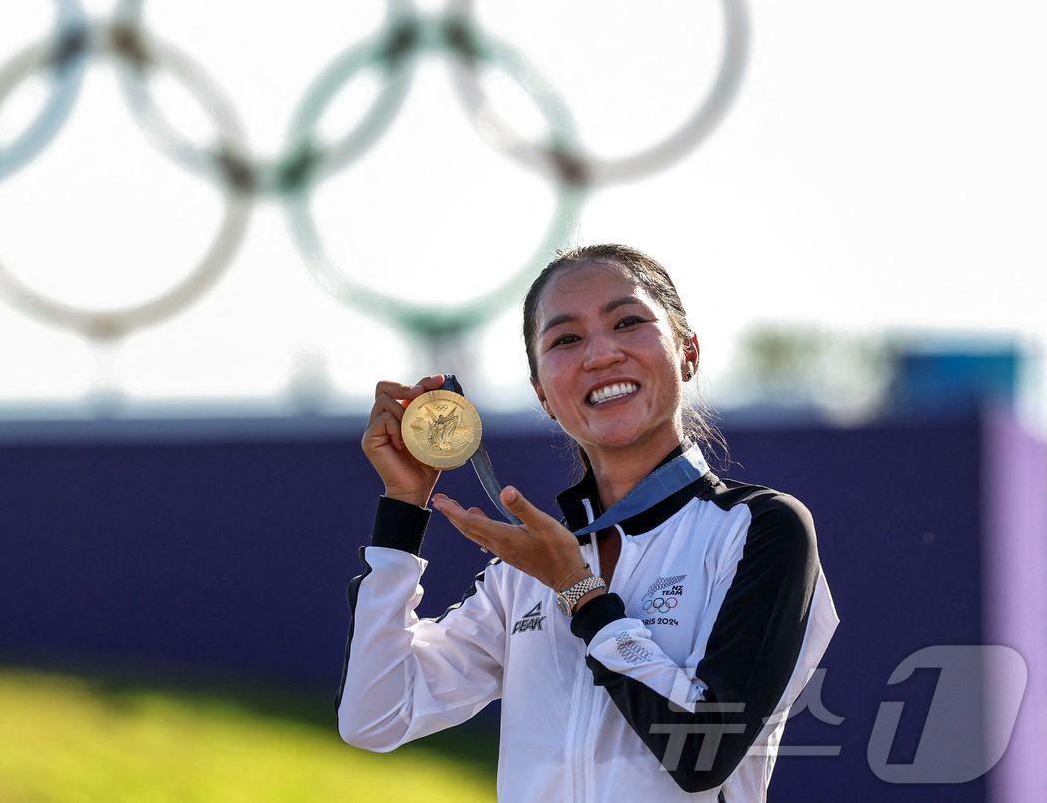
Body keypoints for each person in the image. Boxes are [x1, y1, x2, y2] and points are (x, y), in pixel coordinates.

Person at [336, 243, 839, 801]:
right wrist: (403, 511)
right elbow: (375, 718)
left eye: (627, 322)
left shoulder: (758, 528)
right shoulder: (526, 573)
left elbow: (701, 752)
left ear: (688, 353)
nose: (601, 355)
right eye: (566, 339)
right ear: (543, 395)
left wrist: (581, 593)